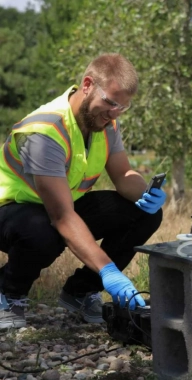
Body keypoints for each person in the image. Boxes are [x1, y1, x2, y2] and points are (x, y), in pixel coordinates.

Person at [0, 53, 166, 328]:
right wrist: (108, 270)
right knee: (41, 232)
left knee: (144, 214)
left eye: (122, 108)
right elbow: (62, 217)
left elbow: (124, 175)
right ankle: (7, 292)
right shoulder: (44, 132)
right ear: (88, 85)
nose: (114, 113)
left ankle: (80, 292)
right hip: (12, 212)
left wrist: (147, 193)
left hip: (59, 206)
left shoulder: (106, 123)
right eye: (110, 102)